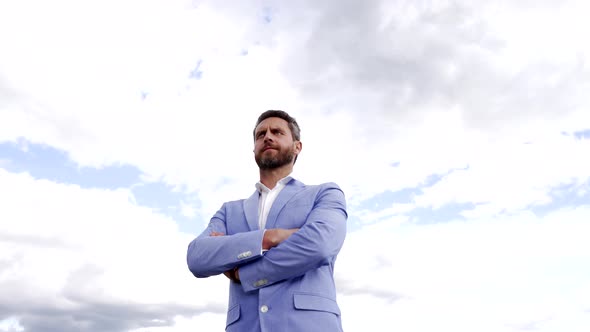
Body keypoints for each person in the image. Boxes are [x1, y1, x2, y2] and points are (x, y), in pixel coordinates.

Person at [186, 110, 348, 332]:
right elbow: (197, 257)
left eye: (277, 132)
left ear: (297, 146)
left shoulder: (325, 193)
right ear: (254, 148)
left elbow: (320, 245)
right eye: (260, 134)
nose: (267, 137)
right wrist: (271, 237)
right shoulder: (229, 211)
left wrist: (244, 273)